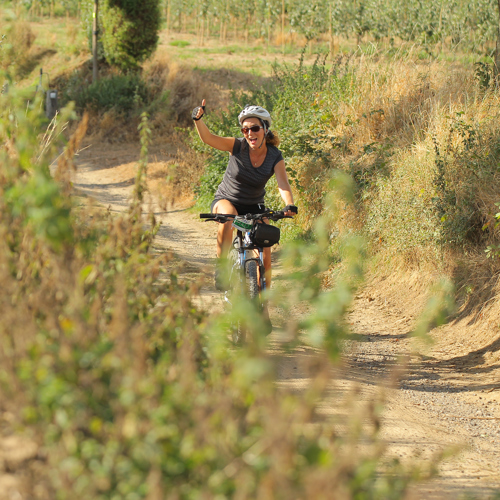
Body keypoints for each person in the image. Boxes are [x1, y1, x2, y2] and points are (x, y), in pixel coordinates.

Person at [192, 100, 297, 290]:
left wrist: (289, 205)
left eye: (254, 128)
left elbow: (283, 184)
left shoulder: (274, 156)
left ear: (265, 129)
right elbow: (209, 138)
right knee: (228, 217)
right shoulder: (237, 146)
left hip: (254, 207)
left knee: (265, 250)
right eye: (245, 130)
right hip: (226, 200)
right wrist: (198, 119)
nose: (249, 133)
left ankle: (262, 304)